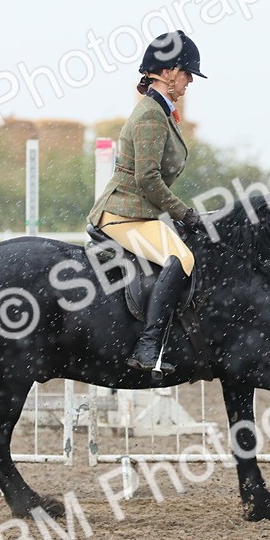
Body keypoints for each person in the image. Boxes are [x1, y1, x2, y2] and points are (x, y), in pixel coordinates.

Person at [87, 30, 206, 374]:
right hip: (122, 214)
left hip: (139, 213)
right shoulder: (152, 114)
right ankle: (148, 346)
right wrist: (183, 212)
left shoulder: (160, 111)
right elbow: (147, 178)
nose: (188, 82)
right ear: (168, 72)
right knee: (181, 258)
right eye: (186, 74)